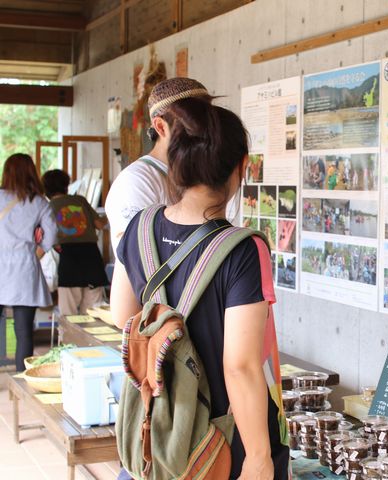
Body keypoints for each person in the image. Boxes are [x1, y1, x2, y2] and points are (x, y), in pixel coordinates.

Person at [110, 101, 289, 479]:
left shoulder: (137, 229)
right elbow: (239, 366)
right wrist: (258, 458)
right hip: (219, 443)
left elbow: (122, 318)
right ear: (241, 167)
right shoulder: (243, 249)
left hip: (159, 434)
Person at [105, 77, 213, 255]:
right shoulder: (135, 182)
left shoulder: (202, 172)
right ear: (160, 126)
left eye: (209, 122)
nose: (205, 131)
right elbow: (137, 262)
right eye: (191, 123)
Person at [0, 153, 57, 371]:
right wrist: (36, 252)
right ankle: (21, 381)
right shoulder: (39, 202)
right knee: (23, 332)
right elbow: (51, 237)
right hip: (24, 268)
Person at [42, 169, 109, 316]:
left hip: (68, 260)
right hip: (92, 257)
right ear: (66, 185)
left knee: (68, 314)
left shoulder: (47, 207)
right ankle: (91, 340)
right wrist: (109, 214)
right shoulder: (80, 201)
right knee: (93, 314)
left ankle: (70, 339)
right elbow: (99, 224)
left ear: (46, 189)